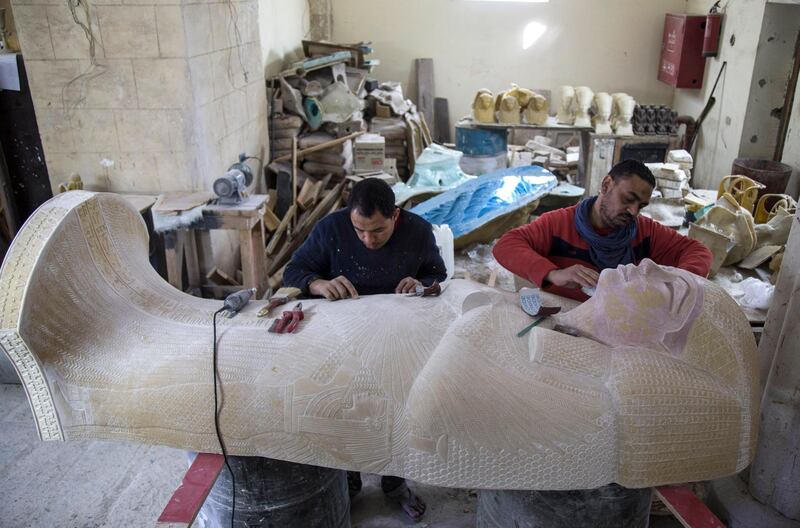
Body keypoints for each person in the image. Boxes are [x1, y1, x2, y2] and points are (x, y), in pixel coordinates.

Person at [284, 177, 446, 520]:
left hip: (397, 333)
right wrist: (318, 282)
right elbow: (294, 270)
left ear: (395, 216)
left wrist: (422, 283)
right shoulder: (331, 228)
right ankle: (349, 479)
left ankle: (394, 481)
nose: (367, 240)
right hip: (343, 334)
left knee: (398, 405)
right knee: (344, 403)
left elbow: (437, 274)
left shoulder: (418, 230)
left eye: (377, 231)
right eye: (359, 231)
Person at [493, 159, 712, 301]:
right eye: (628, 199)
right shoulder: (558, 224)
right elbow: (506, 245)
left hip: (623, 325)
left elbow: (698, 252)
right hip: (565, 319)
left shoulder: (644, 232)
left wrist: (676, 283)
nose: (634, 211)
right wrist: (554, 273)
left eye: (642, 206)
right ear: (606, 185)